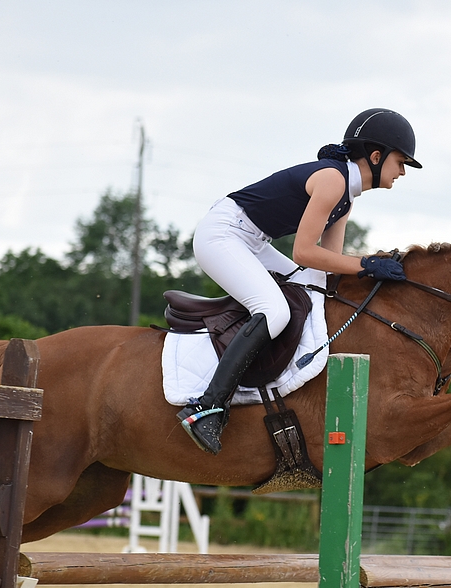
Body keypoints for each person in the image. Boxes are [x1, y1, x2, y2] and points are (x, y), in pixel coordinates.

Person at [178, 108, 422, 455]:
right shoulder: (333, 181)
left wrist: (375, 267)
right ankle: (207, 407)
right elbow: (305, 252)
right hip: (222, 234)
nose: (402, 172)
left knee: (311, 290)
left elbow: (324, 272)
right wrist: (366, 264)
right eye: (401, 162)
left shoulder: (347, 196)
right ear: (376, 155)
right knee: (275, 311)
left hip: (253, 240)